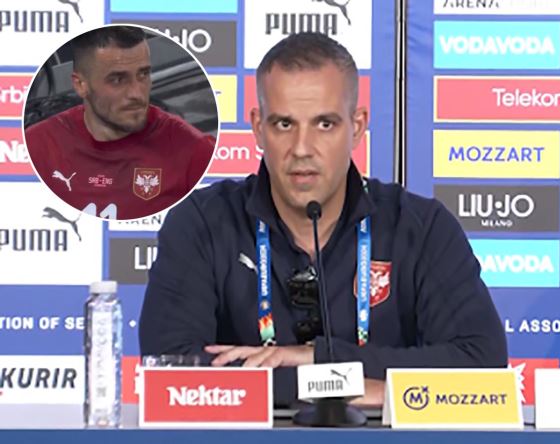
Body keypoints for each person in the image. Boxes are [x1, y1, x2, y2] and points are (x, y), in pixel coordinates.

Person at [139, 32, 507, 406]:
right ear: (258, 127)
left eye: (324, 124)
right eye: (284, 124)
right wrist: (353, 386)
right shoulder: (202, 223)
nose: (302, 149)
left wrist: (320, 356)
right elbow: (169, 369)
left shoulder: (420, 227)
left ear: (357, 127)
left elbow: (482, 365)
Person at [25, 25, 215, 220]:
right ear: (81, 85)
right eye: (117, 79)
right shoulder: (36, 147)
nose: (136, 93)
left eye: (143, 74)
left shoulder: (195, 152)